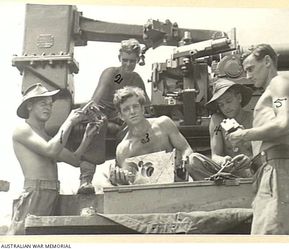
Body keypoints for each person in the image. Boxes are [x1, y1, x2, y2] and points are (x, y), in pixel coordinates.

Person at [227, 44, 289, 234]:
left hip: (276, 170)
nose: (248, 75)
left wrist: (245, 134)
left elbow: (283, 123)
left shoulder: (279, 84)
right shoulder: (273, 90)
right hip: (269, 170)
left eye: (251, 68)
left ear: (267, 61)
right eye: (245, 71)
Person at [9, 83, 99, 234]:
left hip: (52, 194)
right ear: (29, 105)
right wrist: (70, 121)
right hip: (35, 194)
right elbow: (51, 150)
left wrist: (88, 137)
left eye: (50, 105)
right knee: (25, 240)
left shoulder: (46, 137)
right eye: (43, 103)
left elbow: (75, 160)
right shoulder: (22, 130)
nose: (48, 108)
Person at [77, 38, 151, 193]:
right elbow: (95, 101)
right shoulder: (112, 73)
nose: (128, 64)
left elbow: (146, 106)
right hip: (101, 113)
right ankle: (85, 180)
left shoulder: (136, 79)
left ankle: (121, 175)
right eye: (125, 60)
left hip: (120, 118)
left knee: (134, 128)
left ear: (137, 60)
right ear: (119, 58)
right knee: (99, 123)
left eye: (132, 61)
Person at [108, 86, 193, 185]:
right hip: (148, 195)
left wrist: (184, 161)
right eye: (126, 109)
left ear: (143, 109)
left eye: (135, 106)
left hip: (176, 186)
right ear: (121, 116)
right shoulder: (123, 149)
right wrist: (121, 181)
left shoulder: (163, 124)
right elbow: (129, 184)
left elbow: (186, 149)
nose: (132, 112)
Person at [186, 78, 254, 180]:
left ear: (239, 98)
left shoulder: (253, 118)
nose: (226, 107)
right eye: (221, 105)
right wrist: (223, 161)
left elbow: (262, 154)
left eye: (229, 101)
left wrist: (249, 159)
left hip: (251, 171)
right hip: (227, 173)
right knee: (193, 160)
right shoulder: (217, 121)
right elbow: (215, 155)